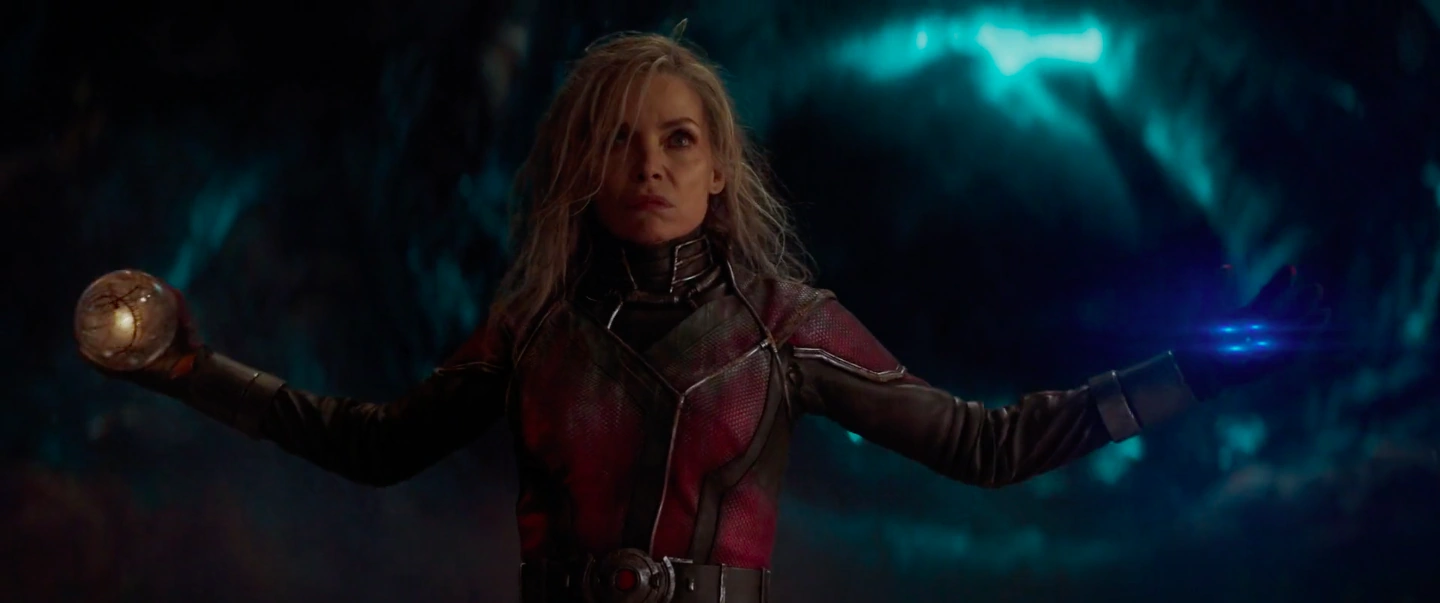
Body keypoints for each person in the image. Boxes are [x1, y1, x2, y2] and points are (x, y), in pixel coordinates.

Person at [86, 25, 1327, 603]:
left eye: (679, 140)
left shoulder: (786, 323)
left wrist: (1206, 365)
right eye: (620, 141)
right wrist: (189, 368)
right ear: (582, 167)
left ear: (720, 165)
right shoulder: (531, 327)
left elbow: (987, 448)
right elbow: (372, 446)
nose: (651, 166)